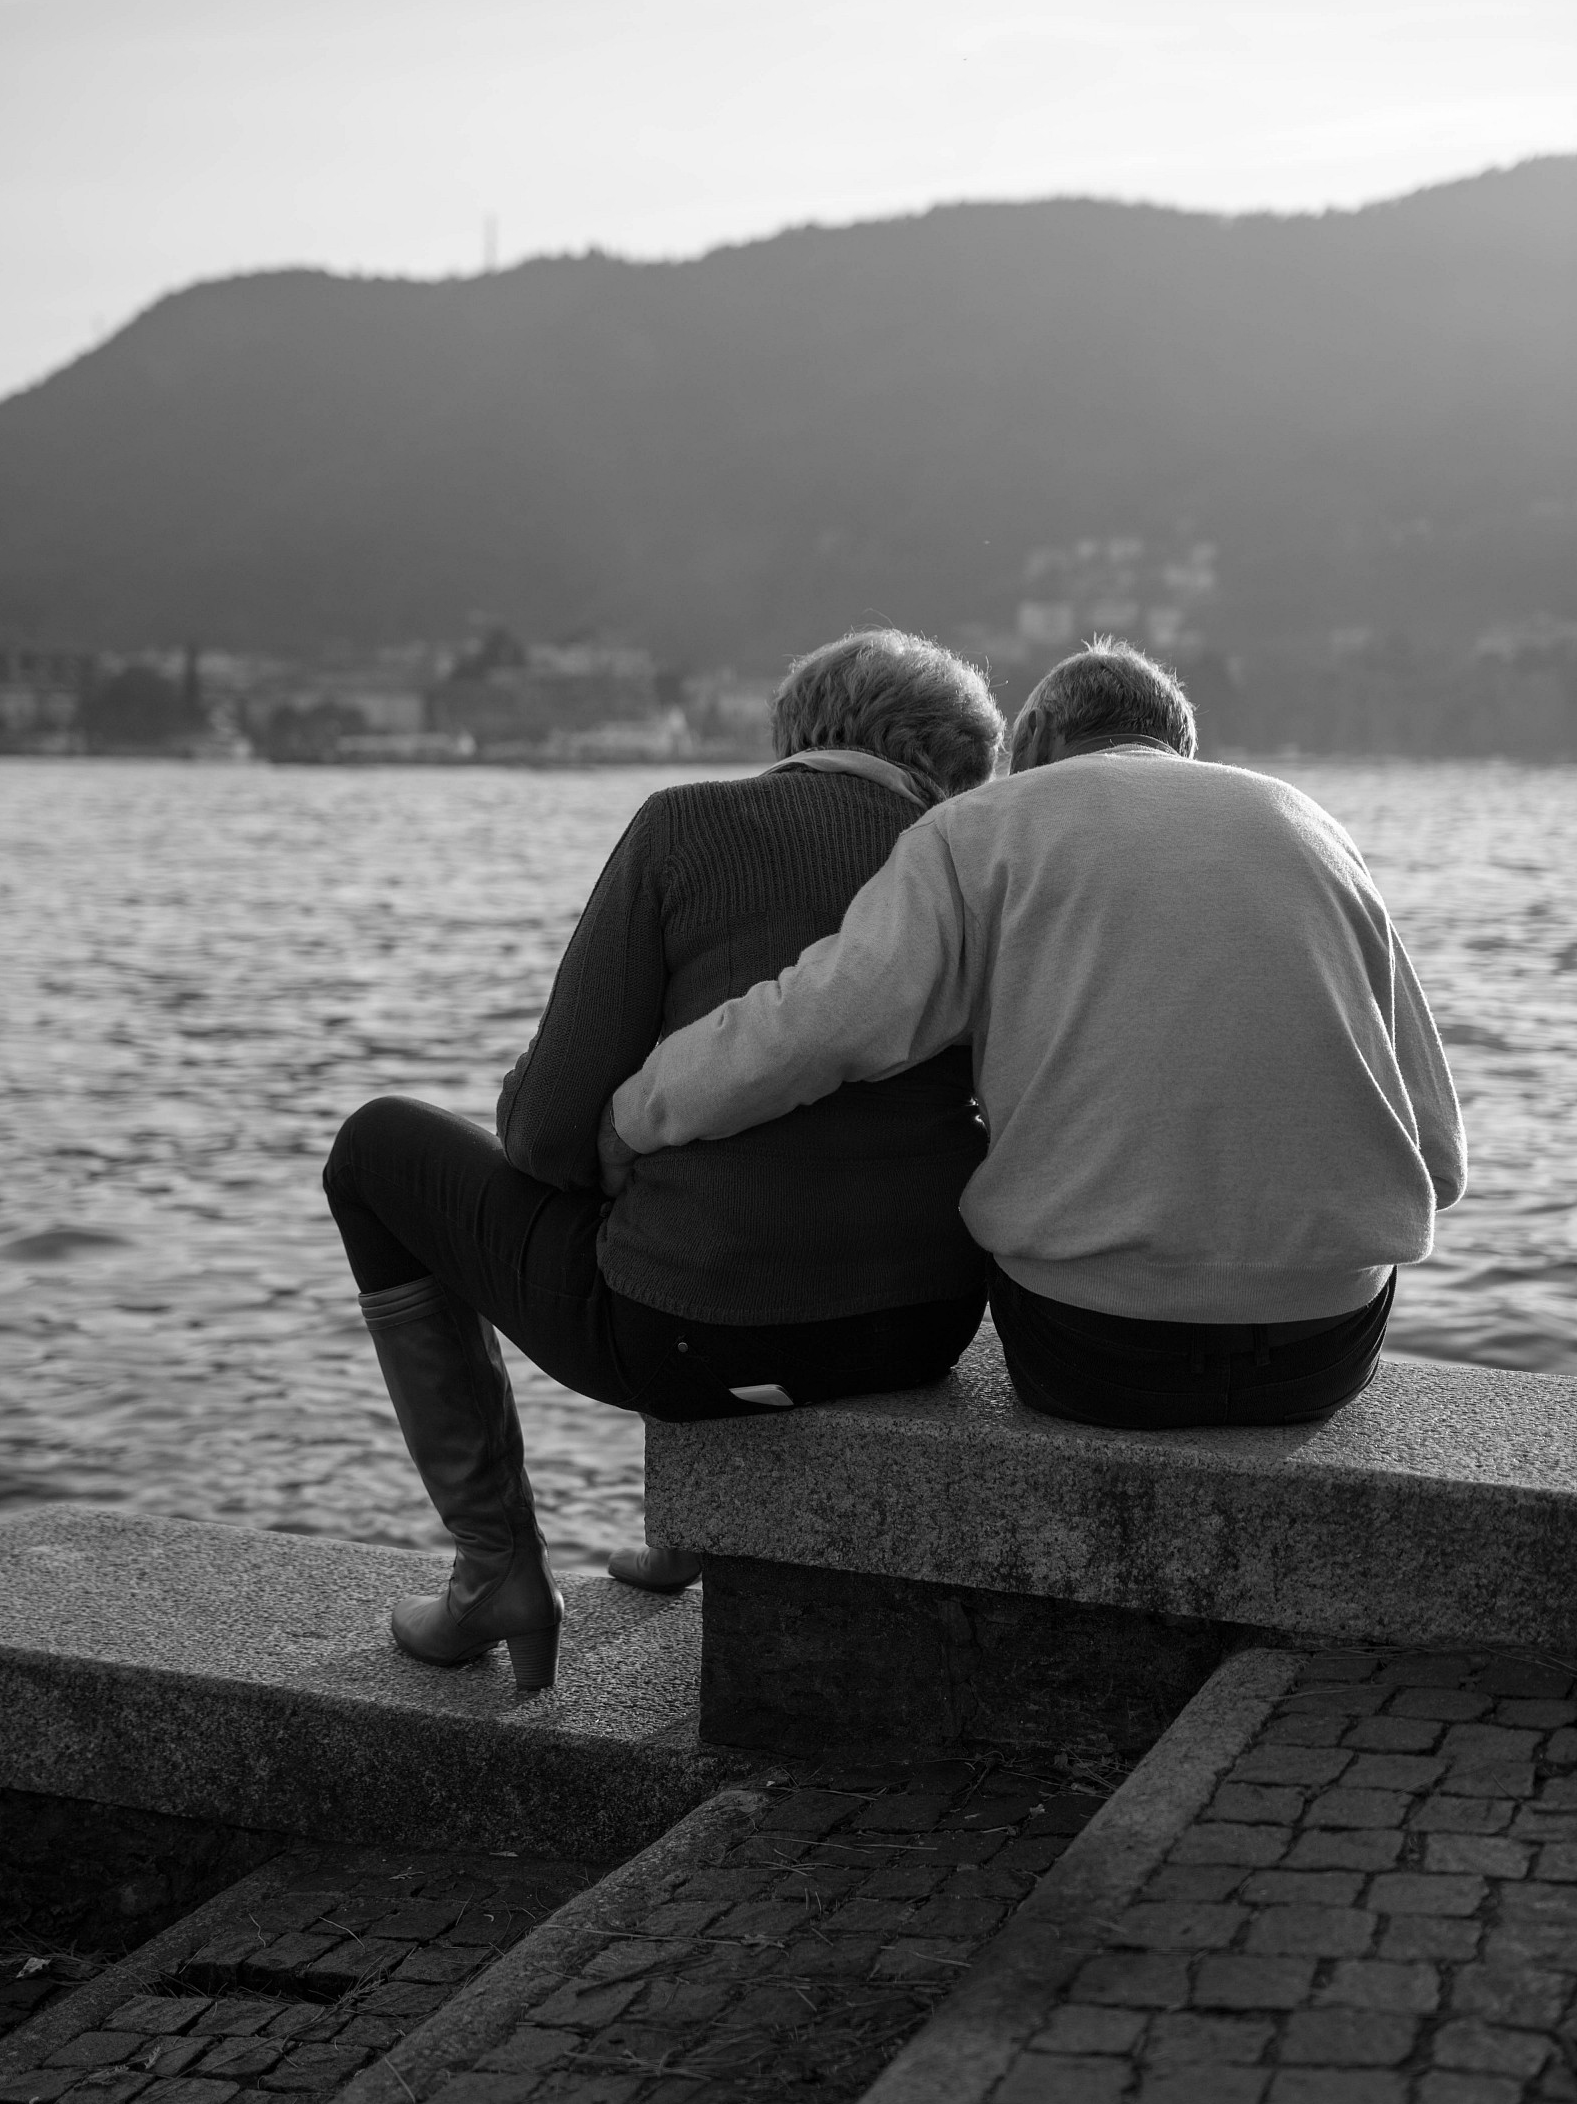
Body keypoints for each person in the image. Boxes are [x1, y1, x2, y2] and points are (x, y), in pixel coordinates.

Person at [323, 629, 1004, 1684]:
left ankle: (492, 1569)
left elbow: (548, 1133)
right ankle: (683, 1534)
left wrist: (553, 1089)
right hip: (920, 1331)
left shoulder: (688, 824)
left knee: (376, 1153)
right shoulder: (976, 866)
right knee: (729, 1173)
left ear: (795, 731)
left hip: (694, 1343)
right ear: (961, 764)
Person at [604, 638, 1466, 1432]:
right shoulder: (1312, 828)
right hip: (1329, 1348)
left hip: (1097, 1349)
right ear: (1178, 749)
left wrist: (637, 1113)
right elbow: (1439, 1159)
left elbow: (818, 1024)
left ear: (1042, 734)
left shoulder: (981, 827)